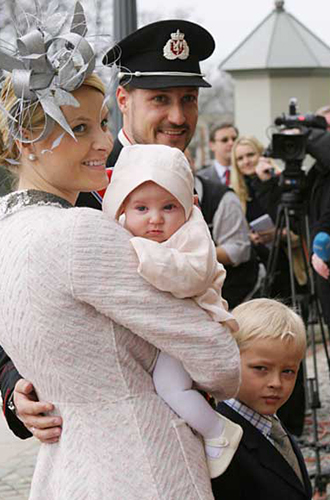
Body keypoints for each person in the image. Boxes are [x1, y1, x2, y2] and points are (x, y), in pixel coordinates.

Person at [0, 8, 241, 499]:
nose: (177, 116)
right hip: (141, 463)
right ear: (127, 96)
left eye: (188, 99)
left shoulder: (13, 219)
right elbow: (217, 358)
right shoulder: (84, 209)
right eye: (160, 99)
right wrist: (14, 390)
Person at [102, 143, 243, 478]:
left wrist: (139, 252)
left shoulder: (194, 233)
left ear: (188, 206)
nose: (155, 219)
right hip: (162, 330)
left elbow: (190, 276)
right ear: (121, 207)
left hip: (195, 321)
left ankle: (217, 432)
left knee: (170, 387)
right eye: (141, 208)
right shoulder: (120, 231)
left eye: (168, 207)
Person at [211, 298, 313, 500]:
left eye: (288, 371)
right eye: (261, 368)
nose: (276, 382)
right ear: (229, 358)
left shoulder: (270, 424)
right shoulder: (220, 438)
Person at [201, 122, 239, 186]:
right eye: (224, 140)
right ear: (212, 145)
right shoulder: (201, 178)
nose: (231, 143)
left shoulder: (248, 174)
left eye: (234, 139)